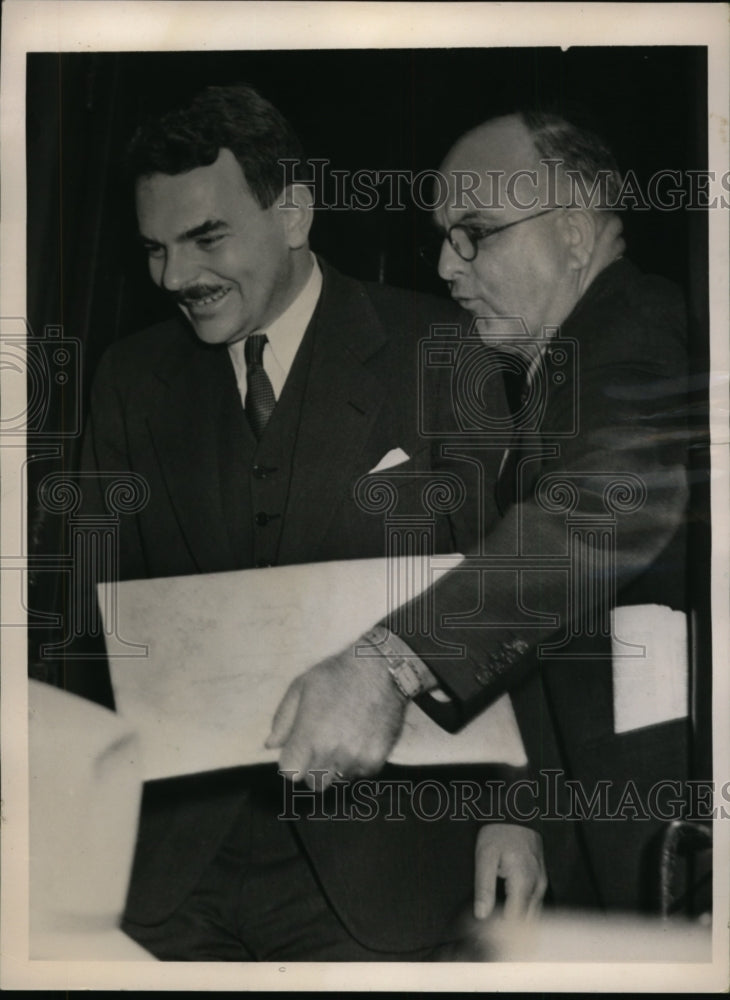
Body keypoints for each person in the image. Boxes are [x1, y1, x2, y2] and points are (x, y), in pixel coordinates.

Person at [76, 84, 544, 961]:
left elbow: (514, 597)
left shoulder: (444, 353)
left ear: (293, 211)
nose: (176, 278)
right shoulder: (128, 380)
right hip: (169, 877)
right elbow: (85, 630)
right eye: (155, 249)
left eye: (206, 238)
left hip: (387, 872)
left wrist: (517, 812)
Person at [273, 110, 690, 912]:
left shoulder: (636, 332)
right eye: (442, 236)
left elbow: (597, 511)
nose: (443, 264)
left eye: (475, 232)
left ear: (572, 231)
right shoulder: (563, 368)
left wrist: (388, 663)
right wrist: (520, 808)